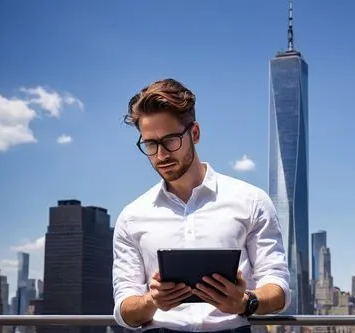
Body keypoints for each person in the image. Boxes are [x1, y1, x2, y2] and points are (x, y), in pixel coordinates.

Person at [112, 78, 290, 333]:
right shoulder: (131, 217)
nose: (161, 155)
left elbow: (279, 287)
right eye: (150, 144)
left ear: (194, 133)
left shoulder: (251, 201)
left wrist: (245, 302)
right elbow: (124, 308)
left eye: (170, 140)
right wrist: (152, 301)